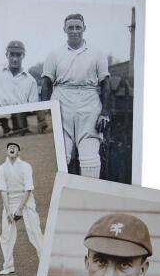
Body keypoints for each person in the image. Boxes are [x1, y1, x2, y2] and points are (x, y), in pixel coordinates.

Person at [41, 13, 112, 178]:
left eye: (78, 27)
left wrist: (105, 112)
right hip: (61, 101)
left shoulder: (97, 53)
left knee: (90, 160)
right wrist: (45, 112)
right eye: (70, 27)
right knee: (60, 156)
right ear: (64, 29)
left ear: (84, 29)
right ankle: (57, 198)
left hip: (89, 102)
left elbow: (105, 83)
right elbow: (46, 83)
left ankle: (88, 199)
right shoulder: (54, 54)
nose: (74, 31)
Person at [0, 143, 43, 275]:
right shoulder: (1, 169)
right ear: (6, 152)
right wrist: (8, 211)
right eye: (9, 147)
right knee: (6, 235)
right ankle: (8, 265)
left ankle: (45, 262)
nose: (12, 148)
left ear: (19, 153)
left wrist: (20, 209)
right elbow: (3, 192)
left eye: (15, 148)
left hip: (26, 201)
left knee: (35, 231)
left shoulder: (25, 167)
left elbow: (28, 189)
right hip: (9, 202)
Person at [0, 40, 39, 136]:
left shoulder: (31, 81)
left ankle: (19, 130)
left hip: (20, 115)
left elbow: (33, 106)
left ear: (23, 56)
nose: (14, 59)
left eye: (18, 55)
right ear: (6, 55)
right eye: (12, 55)